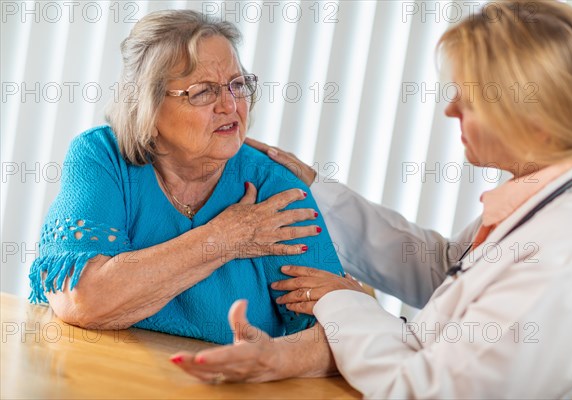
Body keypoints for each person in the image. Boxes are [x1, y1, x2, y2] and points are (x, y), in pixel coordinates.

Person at [170, 0, 572, 397]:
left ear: (536, 117)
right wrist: (317, 192)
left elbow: (421, 390)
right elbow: (447, 268)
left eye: (469, 98)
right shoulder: (543, 195)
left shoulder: (566, 253)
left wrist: (342, 300)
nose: (451, 110)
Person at [28, 10, 344, 346]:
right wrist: (223, 238)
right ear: (147, 105)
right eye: (203, 91)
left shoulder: (275, 189)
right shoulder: (103, 156)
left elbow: (335, 332)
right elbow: (82, 299)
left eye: (237, 85)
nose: (230, 105)